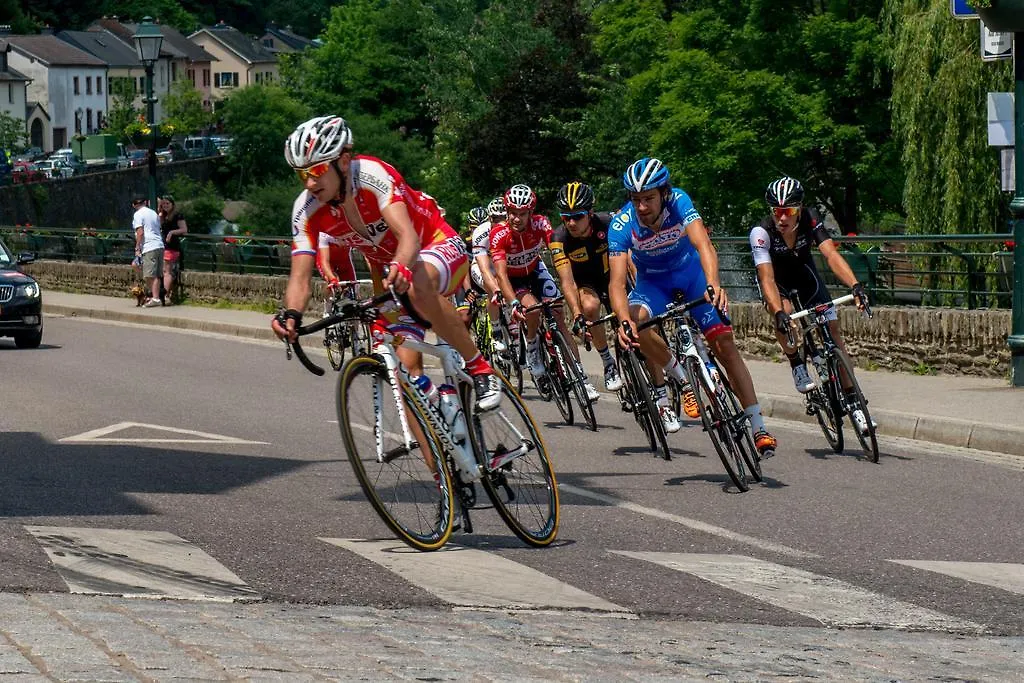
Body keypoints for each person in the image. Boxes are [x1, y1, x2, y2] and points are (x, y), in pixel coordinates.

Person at [272, 115, 501, 410]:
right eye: (302, 175)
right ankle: (440, 438)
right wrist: (291, 314)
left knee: (419, 284)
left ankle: (480, 369)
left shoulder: (370, 174)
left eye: (316, 170)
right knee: (404, 376)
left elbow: (407, 236)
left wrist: (403, 266)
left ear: (343, 161)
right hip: (396, 271)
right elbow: (300, 278)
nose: (311, 182)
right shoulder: (305, 210)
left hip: (434, 242)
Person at [608, 157, 777, 458]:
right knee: (637, 324)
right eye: (636, 200)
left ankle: (758, 426)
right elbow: (617, 283)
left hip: (692, 275)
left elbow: (704, 245)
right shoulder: (622, 225)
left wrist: (713, 284)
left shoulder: (680, 201)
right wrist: (623, 321)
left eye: (648, 198)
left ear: (663, 193)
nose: (642, 207)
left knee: (724, 344)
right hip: (653, 285)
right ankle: (682, 380)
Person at [750, 176, 872, 434]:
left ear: (801, 208)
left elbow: (831, 255)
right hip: (777, 281)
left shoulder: (811, 219)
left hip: (805, 275)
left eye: (789, 211)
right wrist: (780, 313)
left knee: (834, 333)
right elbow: (767, 278)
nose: (782, 218)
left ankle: (855, 403)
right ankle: (796, 362)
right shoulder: (761, 233)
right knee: (787, 317)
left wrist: (855, 285)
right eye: (777, 212)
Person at [489, 184, 571, 386]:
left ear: (530, 213)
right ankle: (533, 346)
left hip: (535, 269)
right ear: (507, 212)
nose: (517, 219)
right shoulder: (499, 234)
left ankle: (577, 374)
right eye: (513, 213)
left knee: (557, 307)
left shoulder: (541, 224)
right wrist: (513, 303)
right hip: (514, 278)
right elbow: (500, 274)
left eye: (522, 214)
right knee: (532, 311)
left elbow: (557, 251)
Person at [550, 181, 620, 396]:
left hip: (614, 277)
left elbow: (631, 261)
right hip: (585, 283)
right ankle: (608, 363)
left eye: (577, 216)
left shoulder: (608, 223)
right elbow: (567, 282)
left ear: (590, 212)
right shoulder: (558, 239)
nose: (571, 222)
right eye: (565, 217)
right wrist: (578, 315)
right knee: (590, 307)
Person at [132, 195, 164, 307]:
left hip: (149, 246)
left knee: (149, 275)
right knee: (156, 274)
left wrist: (137, 247)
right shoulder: (153, 213)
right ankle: (155, 296)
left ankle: (155, 298)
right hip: (159, 244)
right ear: (145, 202)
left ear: (134, 205)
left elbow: (140, 232)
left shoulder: (138, 214)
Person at [158, 195, 187, 305]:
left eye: (167, 204)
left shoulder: (178, 215)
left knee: (167, 272)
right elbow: (158, 224)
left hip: (172, 246)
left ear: (172, 204)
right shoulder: (163, 216)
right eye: (163, 204)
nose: (165, 206)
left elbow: (184, 230)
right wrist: (160, 210)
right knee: (164, 271)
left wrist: (172, 232)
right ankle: (163, 295)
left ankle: (166, 295)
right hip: (164, 245)